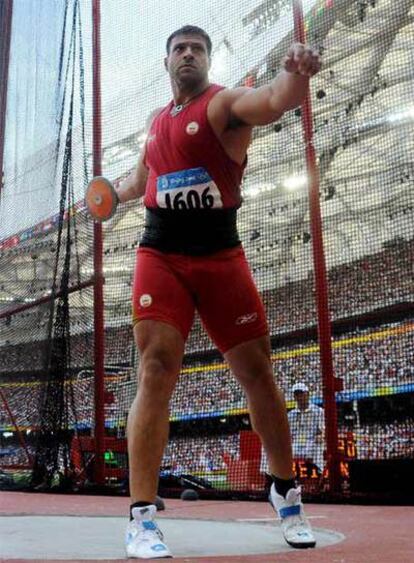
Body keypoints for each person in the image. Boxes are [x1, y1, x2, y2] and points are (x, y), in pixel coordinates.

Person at [113, 25, 321, 559]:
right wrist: (108, 194)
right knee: (155, 367)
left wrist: (294, 73)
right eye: (179, 48)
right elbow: (138, 182)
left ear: (207, 60)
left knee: (259, 373)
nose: (188, 54)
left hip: (220, 254)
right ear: (166, 62)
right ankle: (141, 518)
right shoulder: (156, 123)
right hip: (159, 253)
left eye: (197, 48)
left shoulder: (222, 104)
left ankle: (285, 492)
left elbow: (273, 100)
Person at [289, 382, 325, 472]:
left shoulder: (318, 411)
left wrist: (321, 435)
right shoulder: (290, 415)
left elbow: (323, 430)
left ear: (307, 394)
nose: (299, 397)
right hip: (296, 445)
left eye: (301, 394)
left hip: (312, 443)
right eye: (296, 395)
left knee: (318, 447)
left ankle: (319, 473)